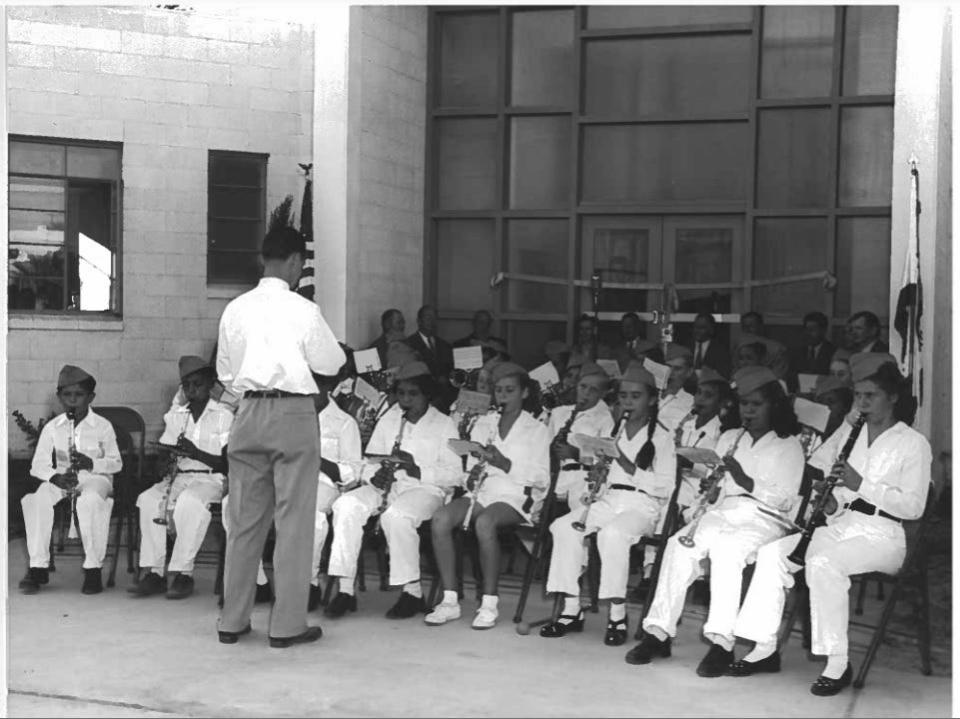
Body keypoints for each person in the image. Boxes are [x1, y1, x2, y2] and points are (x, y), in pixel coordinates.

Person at [730, 353, 930, 697]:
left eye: (871, 396)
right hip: (842, 524)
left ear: (893, 397)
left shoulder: (912, 443)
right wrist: (831, 493)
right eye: (858, 395)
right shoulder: (851, 430)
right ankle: (764, 647)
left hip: (885, 536)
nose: (863, 403)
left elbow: (913, 507)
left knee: (824, 563)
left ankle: (837, 662)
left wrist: (859, 483)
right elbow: (821, 465)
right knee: (773, 553)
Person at [626, 366, 804, 677]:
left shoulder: (788, 444)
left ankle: (722, 642)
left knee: (727, 551)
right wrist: (706, 496)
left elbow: (786, 500)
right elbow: (715, 487)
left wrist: (744, 479)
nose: (748, 411)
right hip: (722, 511)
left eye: (756, 404)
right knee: (677, 546)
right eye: (744, 404)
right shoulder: (731, 437)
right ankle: (658, 633)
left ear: (774, 405)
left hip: (765, 518)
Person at [215, 225, 345, 648]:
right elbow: (331, 362)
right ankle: (287, 625)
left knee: (244, 524)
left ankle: (232, 621)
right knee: (293, 523)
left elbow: (225, 374)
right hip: (292, 413)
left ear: (263, 259)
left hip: (248, 412)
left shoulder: (235, 308)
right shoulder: (303, 309)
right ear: (294, 261)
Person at [541, 362, 675, 645]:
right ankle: (571, 609)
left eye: (635, 397)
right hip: (610, 498)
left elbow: (665, 487)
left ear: (651, 400)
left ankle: (617, 615)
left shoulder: (663, 437)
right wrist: (597, 477)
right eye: (624, 396)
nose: (628, 402)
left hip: (642, 506)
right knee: (563, 527)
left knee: (612, 534)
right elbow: (601, 470)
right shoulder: (615, 430)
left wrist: (624, 463)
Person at [324, 361, 461, 619]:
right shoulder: (390, 419)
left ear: (426, 395)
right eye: (401, 394)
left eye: (413, 394)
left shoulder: (444, 424)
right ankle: (345, 590)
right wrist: (373, 476)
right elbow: (369, 460)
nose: (405, 400)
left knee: (396, 516)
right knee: (346, 505)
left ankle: (412, 592)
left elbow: (455, 475)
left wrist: (416, 469)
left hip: (426, 489)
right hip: (388, 485)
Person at [426, 362, 551, 629]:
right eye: (498, 391)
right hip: (482, 491)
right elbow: (471, 463)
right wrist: (471, 473)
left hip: (517, 496)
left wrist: (505, 463)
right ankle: (449, 601)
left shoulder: (537, 429)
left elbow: (542, 477)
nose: (502, 396)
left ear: (524, 393)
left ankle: (489, 603)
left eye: (509, 390)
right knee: (440, 519)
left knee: (485, 523)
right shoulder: (485, 423)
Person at [129, 356, 232, 600]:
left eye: (198, 384)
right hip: (179, 477)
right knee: (148, 499)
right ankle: (155, 573)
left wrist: (195, 452)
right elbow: (163, 457)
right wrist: (166, 458)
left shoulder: (224, 416)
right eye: (187, 386)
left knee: (190, 502)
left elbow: (228, 463)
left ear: (210, 385)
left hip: (211, 479)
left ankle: (184, 574)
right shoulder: (177, 417)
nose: (193, 390)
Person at [19, 365, 122, 595]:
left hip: (96, 479)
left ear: (91, 397)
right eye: (66, 395)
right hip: (64, 480)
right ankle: (38, 567)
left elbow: (117, 463)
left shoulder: (103, 426)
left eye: (79, 395)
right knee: (35, 500)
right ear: (59, 397)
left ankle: (93, 569)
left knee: (90, 501)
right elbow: (38, 465)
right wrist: (55, 477)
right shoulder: (52, 428)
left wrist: (92, 463)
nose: (72, 401)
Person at [548, 362, 615, 508]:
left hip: (582, 480)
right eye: (583, 387)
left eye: (593, 390)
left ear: (602, 394)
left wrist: (576, 453)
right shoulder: (559, 412)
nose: (586, 393)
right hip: (556, 478)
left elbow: (605, 458)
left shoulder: (605, 419)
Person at [658, 345, 696, 433]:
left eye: (677, 369)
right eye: (667, 367)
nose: (670, 373)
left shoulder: (691, 404)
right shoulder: (646, 395)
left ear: (689, 372)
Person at [740, 312, 789, 380]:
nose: (747, 330)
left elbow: (779, 377)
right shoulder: (739, 349)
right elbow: (734, 376)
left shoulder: (777, 349)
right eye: (744, 327)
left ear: (761, 326)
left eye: (751, 326)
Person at [791, 311, 836, 376]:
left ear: (823, 330)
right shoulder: (796, 352)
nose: (808, 333)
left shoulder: (833, 352)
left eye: (812, 330)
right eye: (806, 329)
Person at [690, 313, 732, 379]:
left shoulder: (720, 350)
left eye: (701, 328)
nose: (697, 331)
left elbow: (723, 374)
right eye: (695, 327)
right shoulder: (686, 347)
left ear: (711, 329)